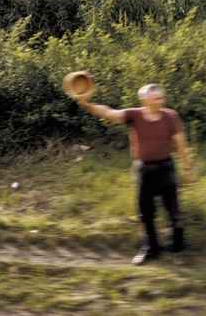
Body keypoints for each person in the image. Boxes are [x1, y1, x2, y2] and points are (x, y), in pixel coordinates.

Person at [76, 83, 195, 265]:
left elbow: (181, 144)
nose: (161, 101)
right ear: (145, 100)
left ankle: (178, 247)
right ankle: (150, 249)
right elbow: (108, 113)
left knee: (173, 210)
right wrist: (86, 104)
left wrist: (188, 169)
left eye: (162, 97)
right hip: (144, 170)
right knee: (145, 213)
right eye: (157, 98)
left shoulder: (171, 116)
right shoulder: (134, 115)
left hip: (166, 168)